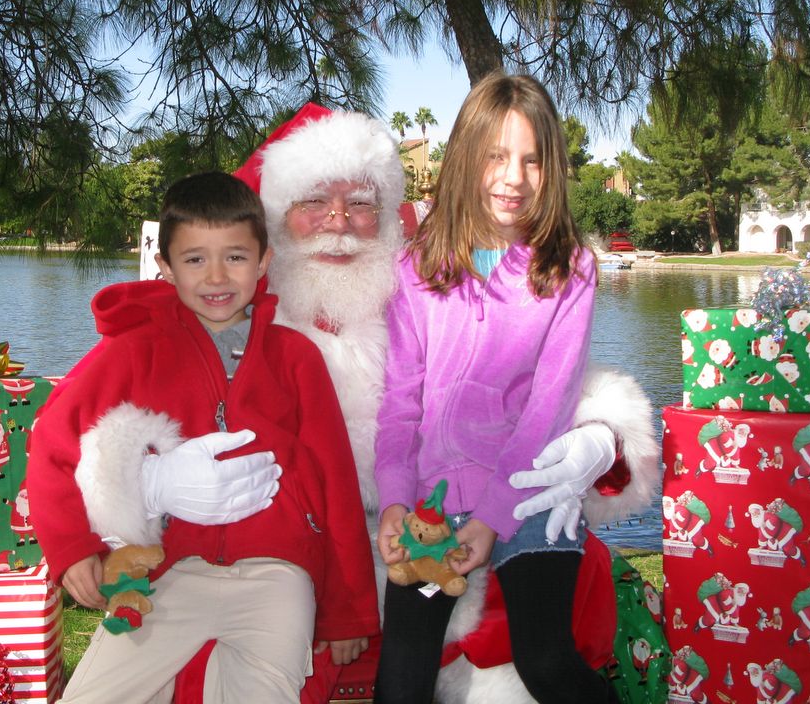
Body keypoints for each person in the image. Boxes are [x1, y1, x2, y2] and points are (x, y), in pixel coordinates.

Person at [167, 102, 657, 704]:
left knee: (542, 658)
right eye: (315, 202)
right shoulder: (237, 314)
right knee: (400, 674)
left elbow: (549, 389)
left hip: (503, 503)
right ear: (276, 222)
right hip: (364, 537)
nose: (339, 222)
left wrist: (604, 434)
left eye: (361, 203)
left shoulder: (427, 272)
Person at [27, 172, 379, 704]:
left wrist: (348, 609)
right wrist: (73, 548)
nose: (216, 276)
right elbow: (54, 441)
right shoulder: (132, 351)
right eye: (194, 259)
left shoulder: (295, 357)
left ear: (263, 262)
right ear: (165, 267)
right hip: (168, 574)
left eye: (235, 256)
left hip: (277, 577)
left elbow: (335, 484)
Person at [371, 73, 618, 703]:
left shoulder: (568, 269)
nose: (514, 177)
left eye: (532, 160)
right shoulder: (417, 267)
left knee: (546, 661)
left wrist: (493, 516)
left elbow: (548, 407)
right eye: (496, 156)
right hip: (433, 505)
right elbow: (400, 403)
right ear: (466, 158)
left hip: (532, 494)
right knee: (400, 677)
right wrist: (397, 500)